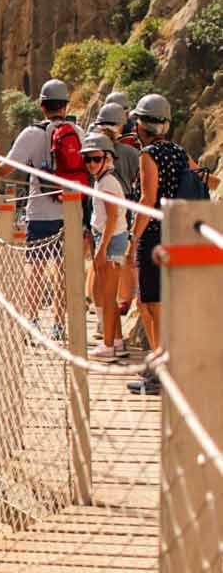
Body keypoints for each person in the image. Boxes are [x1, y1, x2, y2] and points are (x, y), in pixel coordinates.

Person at [124, 94, 219, 394]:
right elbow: (210, 182)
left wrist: (132, 239)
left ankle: (160, 372)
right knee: (160, 304)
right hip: (178, 233)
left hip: (153, 235)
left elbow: (147, 199)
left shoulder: (148, 155)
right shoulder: (178, 152)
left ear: (141, 125)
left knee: (150, 305)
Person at [0, 78, 86, 338]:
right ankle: (59, 326)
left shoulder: (31, 134)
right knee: (63, 269)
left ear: (41, 105)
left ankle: (33, 322)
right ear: (66, 105)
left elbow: (5, 168)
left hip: (39, 212)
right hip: (71, 211)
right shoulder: (78, 133)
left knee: (35, 268)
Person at [92, 102, 141, 325]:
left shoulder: (94, 149)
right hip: (126, 208)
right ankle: (125, 301)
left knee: (99, 266)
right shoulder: (131, 152)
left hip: (99, 210)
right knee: (122, 261)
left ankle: (104, 322)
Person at [81, 134, 128, 359]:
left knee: (108, 296)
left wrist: (101, 250)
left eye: (96, 159)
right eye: (87, 159)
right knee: (108, 294)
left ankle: (108, 345)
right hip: (108, 238)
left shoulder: (107, 182)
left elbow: (111, 218)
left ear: (107, 158)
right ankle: (117, 341)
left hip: (109, 239)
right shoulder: (103, 179)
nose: (91, 164)